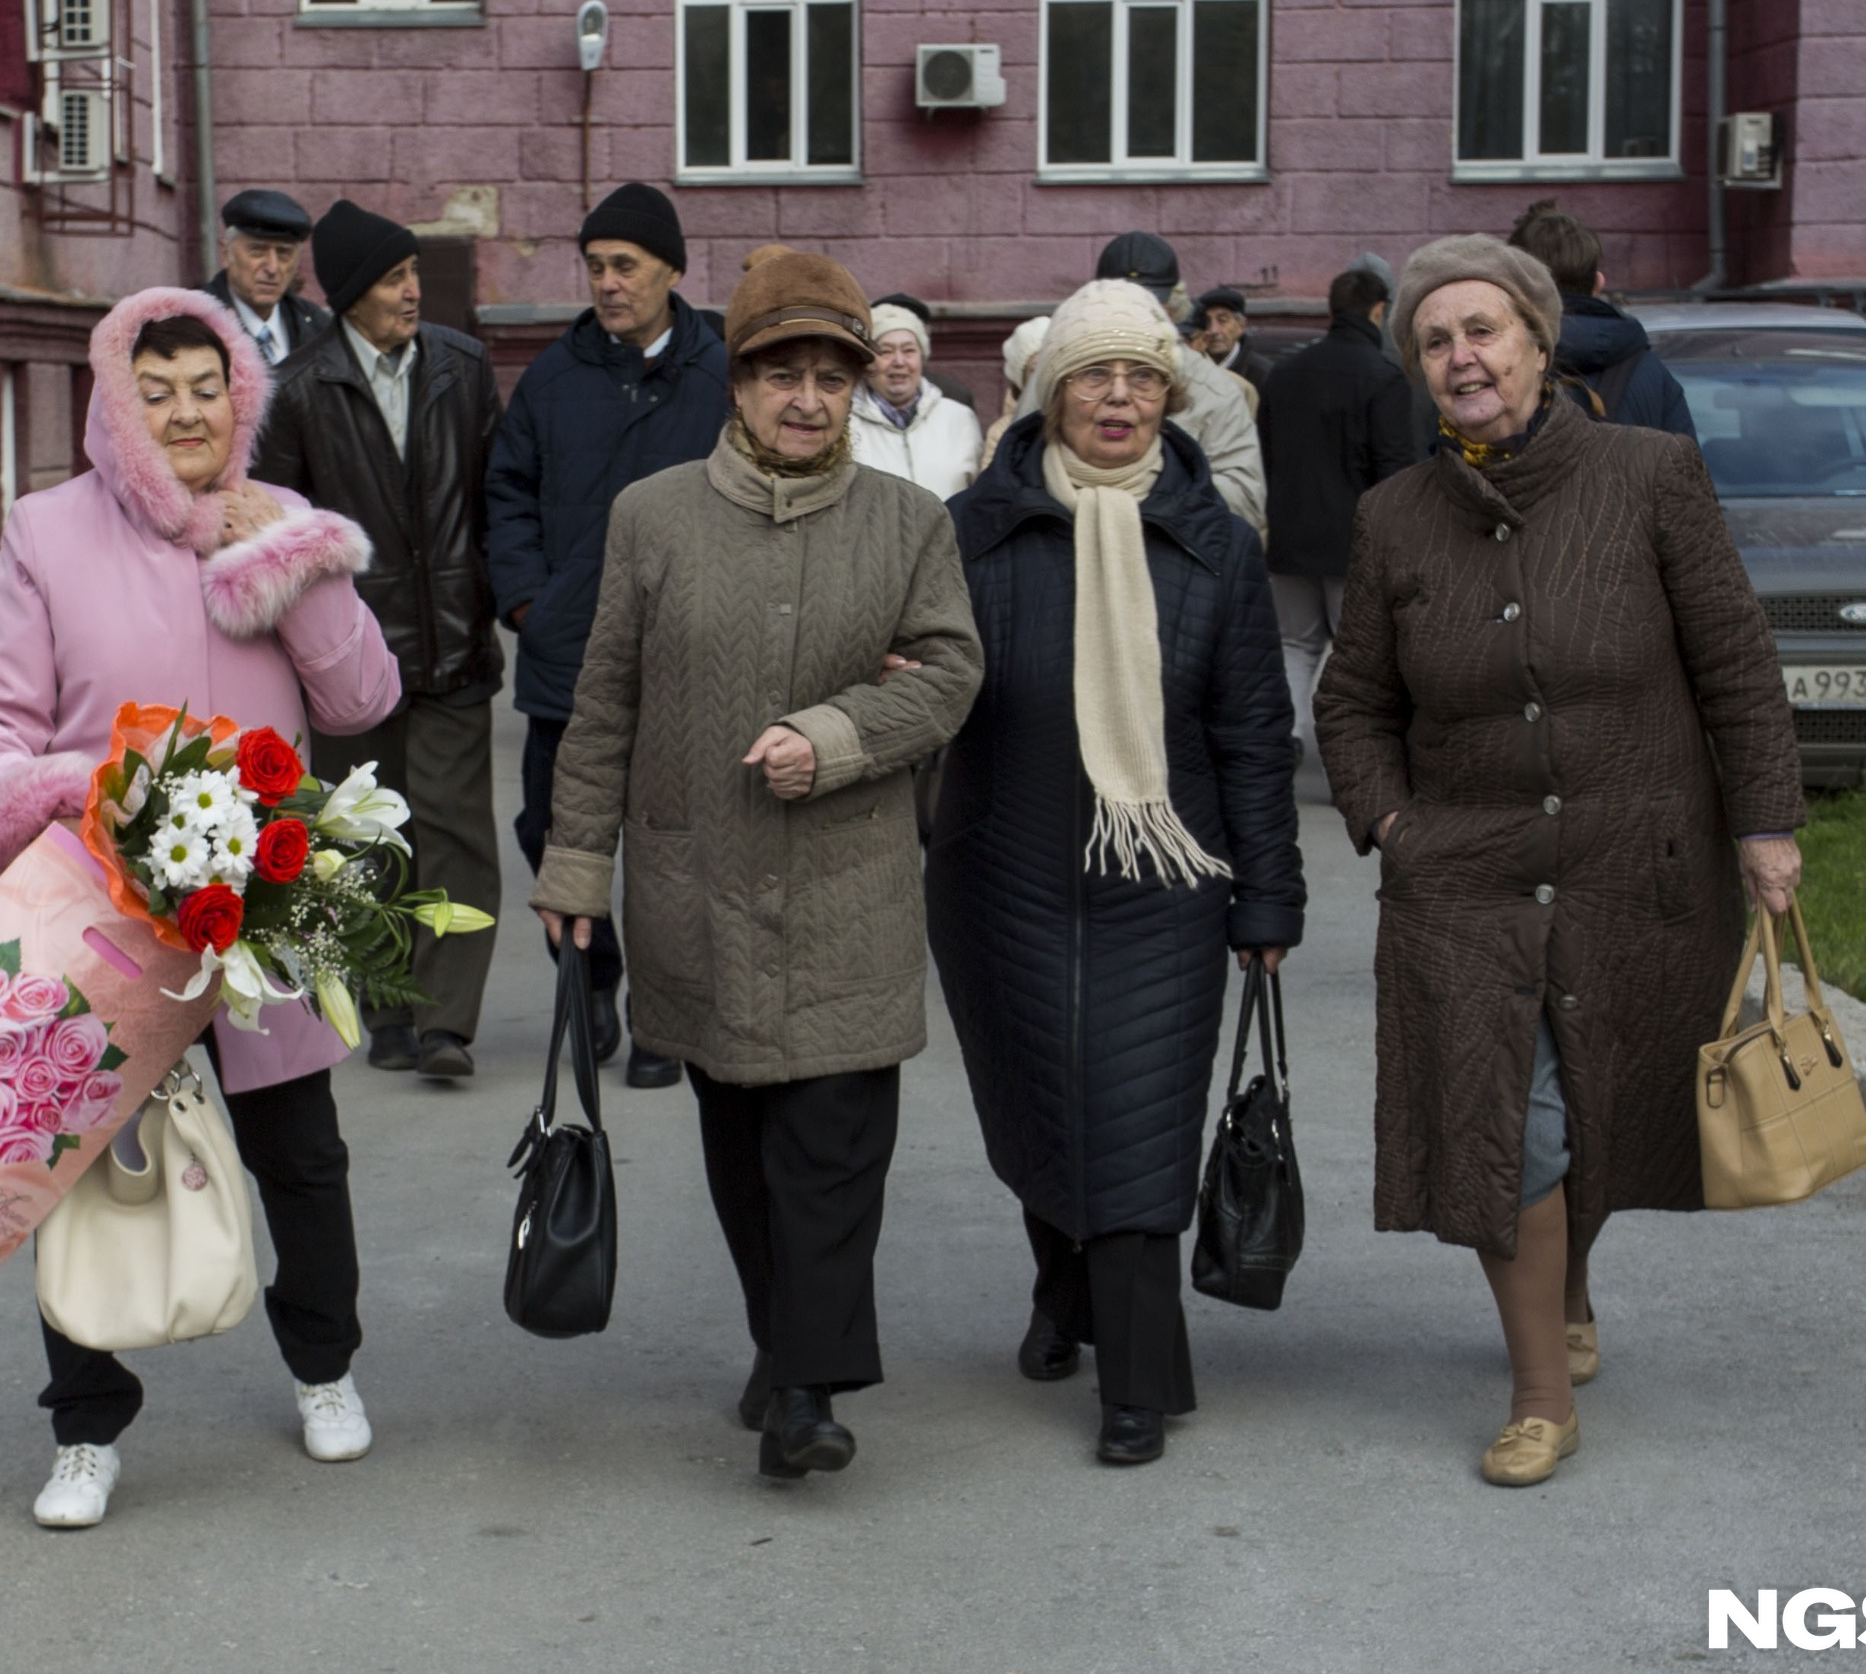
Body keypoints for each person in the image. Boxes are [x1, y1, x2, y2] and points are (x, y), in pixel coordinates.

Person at [1314, 236, 1805, 1489]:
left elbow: (1736, 664)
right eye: (1435, 340)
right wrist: (1391, 823)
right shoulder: (1393, 518)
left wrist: (1764, 826)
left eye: (1484, 330)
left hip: (1628, 856)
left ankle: (1570, 1284)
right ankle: (1540, 1393)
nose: (1461, 356)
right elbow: (1354, 701)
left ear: (1539, 341)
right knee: (1511, 1128)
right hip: (1465, 874)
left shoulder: (1652, 477)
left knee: (1591, 1101)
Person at [0, 287, 403, 1528]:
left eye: (209, 386)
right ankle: (85, 1428)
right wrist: (49, 800)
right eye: (158, 392)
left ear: (243, 396)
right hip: (102, 899)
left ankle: (326, 1366)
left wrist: (291, 561)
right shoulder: (49, 530)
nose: (187, 410)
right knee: (72, 1159)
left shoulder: (281, 519)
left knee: (299, 1154)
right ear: (113, 405)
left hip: (264, 899)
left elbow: (361, 699)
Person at [530, 245, 980, 1479]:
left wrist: (838, 734)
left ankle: (809, 1389)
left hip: (850, 885)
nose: (807, 398)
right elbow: (602, 699)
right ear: (735, 384)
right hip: (698, 884)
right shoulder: (653, 515)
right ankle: (781, 1341)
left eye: (831, 377)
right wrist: (577, 865)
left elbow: (951, 674)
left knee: (833, 1149)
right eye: (781, 373)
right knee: (742, 1151)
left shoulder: (909, 521)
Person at [932, 283, 1303, 1468]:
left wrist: (1270, 895)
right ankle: (1063, 1293)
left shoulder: (1216, 543)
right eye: (1096, 375)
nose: (1121, 397)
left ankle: (1139, 1379)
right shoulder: (967, 534)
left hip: (1169, 880)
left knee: (1139, 1119)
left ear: (1170, 394)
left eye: (1144, 377)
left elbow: (1255, 733)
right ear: (1050, 392)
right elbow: (923, 703)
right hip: (1003, 872)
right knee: (1039, 1103)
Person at [484, 181, 732, 1089]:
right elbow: (507, 493)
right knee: (553, 833)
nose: (608, 283)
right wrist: (527, 604)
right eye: (594, 267)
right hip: (570, 653)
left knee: (676, 847)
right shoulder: (554, 376)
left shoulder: (725, 374)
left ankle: (664, 1016)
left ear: (672, 269)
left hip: (691, 658)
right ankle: (589, 986)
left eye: (625, 265)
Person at [251, 202, 504, 1077]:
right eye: (395, 278)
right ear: (354, 292)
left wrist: (497, 599)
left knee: (456, 833)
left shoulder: (463, 365)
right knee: (363, 838)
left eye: (412, 275)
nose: (412, 291)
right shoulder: (295, 388)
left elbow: (491, 492)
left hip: (456, 643)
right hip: (350, 656)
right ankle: (384, 1003)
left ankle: (445, 1024)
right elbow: (273, 530)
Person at [1256, 268, 1419, 764]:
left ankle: (1285, 743)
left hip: (1289, 537)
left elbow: (1267, 453)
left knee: (1295, 645)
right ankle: (1349, 759)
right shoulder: (1384, 378)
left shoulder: (1281, 375)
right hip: (1356, 545)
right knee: (1361, 660)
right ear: (1377, 310)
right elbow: (1395, 474)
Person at [1091, 235, 1266, 534]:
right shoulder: (1066, 374)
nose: (1135, 314)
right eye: (1122, 301)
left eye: (1149, 303)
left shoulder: (1214, 391)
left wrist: (1151, 492)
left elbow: (1247, 501)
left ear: (1172, 308)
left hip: (1180, 565)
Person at [1505, 202, 1696, 440]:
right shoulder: (1652, 375)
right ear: (1598, 283)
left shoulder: (1492, 369)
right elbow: (1687, 472)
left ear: (1514, 288)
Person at [848, 300, 985, 499]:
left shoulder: (959, 417)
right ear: (867, 362)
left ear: (922, 358)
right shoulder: (845, 421)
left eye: (909, 350)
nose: (899, 361)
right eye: (885, 351)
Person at [202, 188, 332, 373]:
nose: (272, 268)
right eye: (258, 251)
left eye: (284, 253)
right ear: (225, 254)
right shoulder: (196, 324)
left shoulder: (318, 327)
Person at [980, 315, 1052, 466]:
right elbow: (992, 484)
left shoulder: (1077, 422)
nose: (1043, 377)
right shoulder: (1002, 433)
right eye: (1035, 370)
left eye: (1049, 366)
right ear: (1022, 379)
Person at [1190, 286, 1265, 412]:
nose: (1214, 330)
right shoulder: (1191, 371)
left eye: (1223, 320)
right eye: (1207, 322)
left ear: (1241, 326)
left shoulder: (1261, 375)